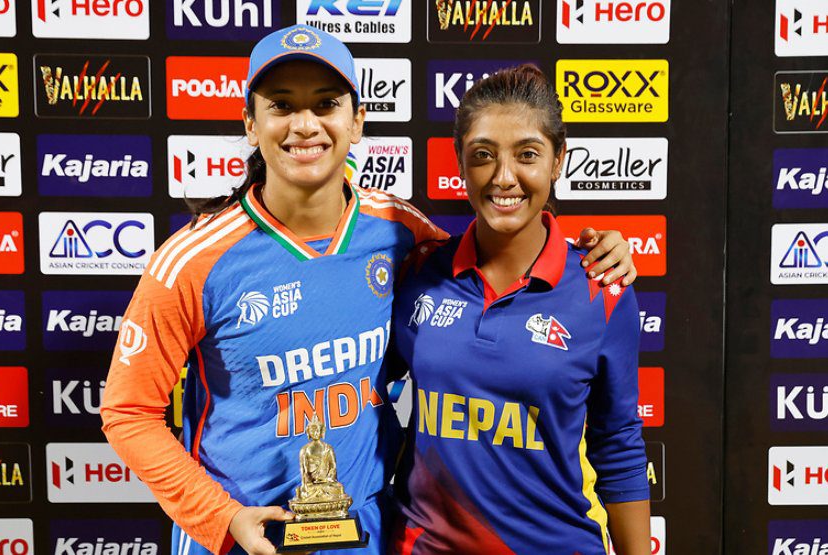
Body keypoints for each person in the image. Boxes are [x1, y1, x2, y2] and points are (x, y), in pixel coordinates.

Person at [101, 25, 639, 555]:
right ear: (250, 123)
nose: (305, 125)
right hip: (242, 540)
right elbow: (128, 412)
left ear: (356, 122)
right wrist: (220, 517)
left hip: (368, 535)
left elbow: (501, 250)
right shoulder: (192, 261)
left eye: (326, 103)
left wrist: (597, 250)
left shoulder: (400, 232)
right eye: (282, 105)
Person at [390, 65, 651, 555]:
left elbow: (617, 445)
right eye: (483, 156)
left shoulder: (604, 287)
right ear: (461, 164)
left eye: (527, 155)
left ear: (558, 162)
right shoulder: (417, 272)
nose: (504, 177)